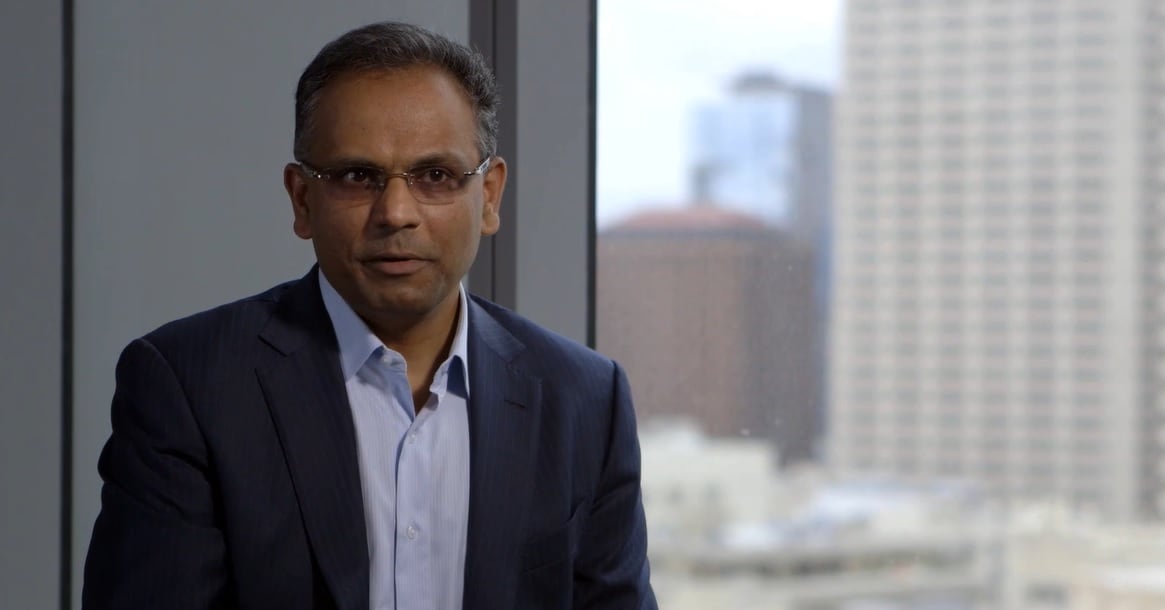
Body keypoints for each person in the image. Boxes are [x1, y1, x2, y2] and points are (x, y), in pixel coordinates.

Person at [82, 21, 656, 610]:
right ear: (302, 199)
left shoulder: (585, 400)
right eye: (358, 176)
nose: (396, 212)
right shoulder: (190, 386)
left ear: (488, 197)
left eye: (435, 176)